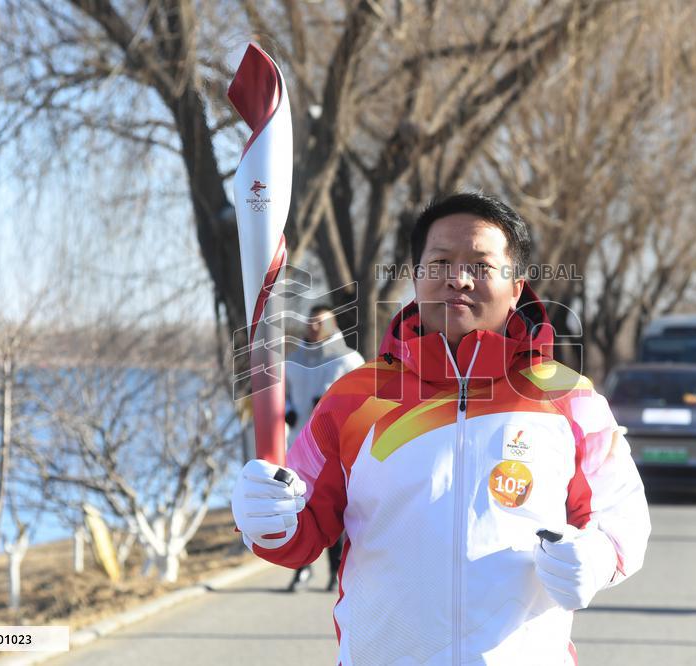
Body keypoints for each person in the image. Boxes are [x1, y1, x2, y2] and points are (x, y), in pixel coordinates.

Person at [233, 193, 651, 664]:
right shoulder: (354, 400)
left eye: (481, 264)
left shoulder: (570, 401)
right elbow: (300, 533)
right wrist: (264, 518)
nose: (458, 278)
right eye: (440, 262)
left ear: (516, 287)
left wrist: (593, 559)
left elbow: (623, 521)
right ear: (417, 277)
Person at [283, 305, 364, 591]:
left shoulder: (349, 360)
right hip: (300, 446)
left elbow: (363, 400)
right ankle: (302, 569)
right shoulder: (293, 361)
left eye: (320, 322)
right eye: (311, 321)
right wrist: (288, 409)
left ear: (331, 325)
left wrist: (333, 403)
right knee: (299, 506)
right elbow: (284, 394)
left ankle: (334, 569)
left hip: (336, 447)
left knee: (333, 509)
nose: (314, 326)